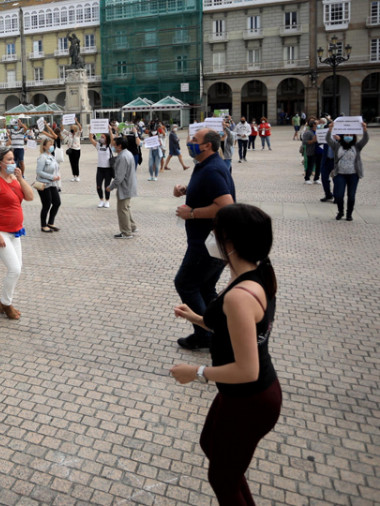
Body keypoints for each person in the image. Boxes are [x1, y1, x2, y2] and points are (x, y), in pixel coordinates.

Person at [170, 203, 281, 505]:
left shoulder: (239, 296)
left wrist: (195, 373)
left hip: (252, 398)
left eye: (215, 231)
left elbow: (248, 370)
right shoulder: (257, 273)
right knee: (212, 445)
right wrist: (195, 316)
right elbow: (233, 328)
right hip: (240, 394)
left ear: (229, 242)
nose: (211, 236)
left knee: (222, 477)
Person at [173, 128, 236, 350]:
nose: (189, 142)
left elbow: (226, 205)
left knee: (186, 283)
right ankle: (219, 329)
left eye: (194, 139)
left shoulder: (212, 170)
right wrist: (187, 190)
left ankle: (204, 334)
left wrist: (191, 213)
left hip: (207, 245)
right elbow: (210, 193)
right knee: (206, 287)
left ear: (207, 145)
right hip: (213, 243)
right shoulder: (207, 165)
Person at [0, 146, 34, 320]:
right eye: (10, 160)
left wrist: (20, 178)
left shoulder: (14, 179)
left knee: (17, 269)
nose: (13, 162)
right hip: (1, 232)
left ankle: (4, 302)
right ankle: (6, 303)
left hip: (16, 232)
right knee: (14, 269)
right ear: (0, 163)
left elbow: (30, 197)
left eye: (14, 159)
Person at [326, 121, 369, 221]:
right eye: (346, 135)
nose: (348, 136)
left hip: (353, 174)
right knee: (339, 195)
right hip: (340, 174)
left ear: (353, 136)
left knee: (351, 196)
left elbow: (365, 139)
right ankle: (340, 211)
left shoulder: (357, 146)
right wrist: (330, 129)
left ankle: (349, 214)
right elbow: (328, 139)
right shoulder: (337, 146)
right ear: (343, 136)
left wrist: (364, 129)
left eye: (350, 135)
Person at [107, 137, 138, 239]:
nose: (113, 146)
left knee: (122, 209)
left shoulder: (122, 157)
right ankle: (132, 226)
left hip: (125, 187)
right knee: (126, 208)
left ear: (119, 146)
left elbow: (119, 177)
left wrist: (111, 187)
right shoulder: (128, 153)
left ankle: (126, 232)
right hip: (129, 185)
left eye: (114, 144)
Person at [34, 137, 61, 233]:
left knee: (57, 202)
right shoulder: (42, 157)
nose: (52, 146)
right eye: (50, 144)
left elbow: (56, 169)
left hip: (52, 183)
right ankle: (43, 225)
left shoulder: (52, 156)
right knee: (47, 204)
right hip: (43, 184)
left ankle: (50, 222)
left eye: (52, 144)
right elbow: (39, 171)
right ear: (44, 146)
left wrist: (57, 178)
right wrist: (51, 177)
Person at [89, 133, 113, 208]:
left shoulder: (110, 146)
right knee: (98, 186)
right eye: (101, 137)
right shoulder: (99, 145)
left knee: (107, 186)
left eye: (103, 137)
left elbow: (112, 139)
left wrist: (110, 130)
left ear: (106, 138)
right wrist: (91, 130)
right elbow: (91, 139)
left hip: (108, 169)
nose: (101, 138)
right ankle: (101, 200)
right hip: (100, 168)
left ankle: (107, 201)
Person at [301, 120, 319, 184]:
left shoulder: (319, 131)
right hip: (311, 151)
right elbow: (304, 142)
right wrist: (312, 141)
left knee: (318, 166)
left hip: (319, 151)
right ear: (314, 125)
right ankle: (307, 178)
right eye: (317, 123)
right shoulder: (308, 132)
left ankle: (316, 178)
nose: (319, 124)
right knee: (310, 165)